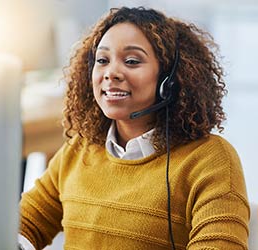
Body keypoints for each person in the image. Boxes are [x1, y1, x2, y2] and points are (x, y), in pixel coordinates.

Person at [18, 6, 250, 250]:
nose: (111, 73)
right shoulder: (78, 149)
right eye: (102, 60)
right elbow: (26, 224)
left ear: (168, 81)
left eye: (131, 61)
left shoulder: (211, 160)